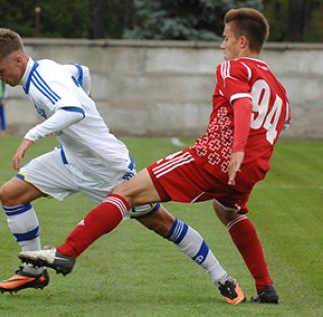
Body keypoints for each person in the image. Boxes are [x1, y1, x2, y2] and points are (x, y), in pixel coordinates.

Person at [19, 8, 290, 304]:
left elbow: (243, 104)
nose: (222, 45)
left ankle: (66, 253)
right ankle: (266, 287)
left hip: (215, 158)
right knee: (228, 211)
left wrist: (236, 148)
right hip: (251, 170)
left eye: (225, 39)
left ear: (241, 41)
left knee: (126, 192)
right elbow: (277, 124)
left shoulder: (233, 68)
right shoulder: (279, 89)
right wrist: (246, 156)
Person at [0, 28, 245, 304]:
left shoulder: (42, 79)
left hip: (107, 166)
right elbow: (82, 72)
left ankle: (222, 277)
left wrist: (31, 137)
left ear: (18, 60)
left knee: (161, 223)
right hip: (70, 159)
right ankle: (33, 271)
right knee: (10, 195)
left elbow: (73, 110)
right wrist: (87, 97)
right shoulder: (45, 68)